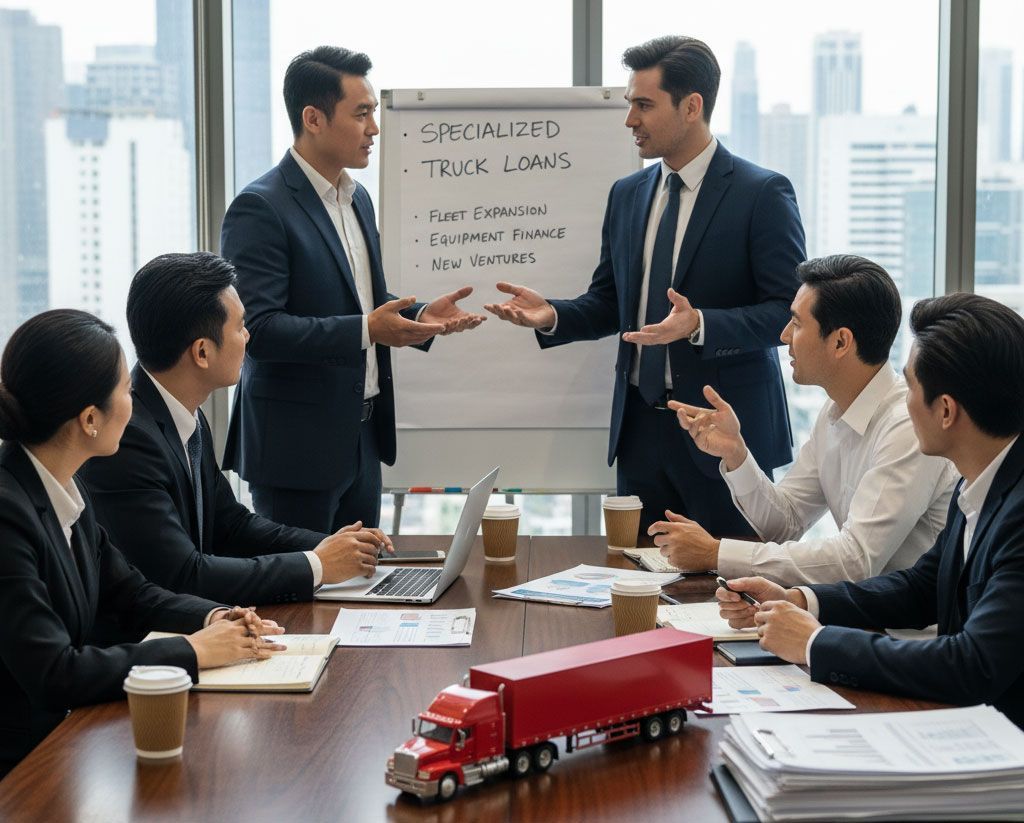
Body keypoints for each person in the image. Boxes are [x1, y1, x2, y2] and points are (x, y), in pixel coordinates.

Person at [484, 35, 804, 536]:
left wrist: (699, 324)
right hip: (639, 432)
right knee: (637, 589)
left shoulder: (761, 192)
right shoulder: (628, 194)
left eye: (643, 105)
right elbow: (613, 302)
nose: (630, 119)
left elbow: (788, 312)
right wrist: (552, 315)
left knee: (728, 596)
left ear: (692, 106)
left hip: (723, 432)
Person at [0, 309, 286, 776]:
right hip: (24, 769)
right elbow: (55, 673)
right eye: (126, 391)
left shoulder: (63, 485)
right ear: (90, 419)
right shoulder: (8, 512)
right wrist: (195, 651)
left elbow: (130, 592)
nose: (134, 402)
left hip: (66, 744)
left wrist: (214, 617)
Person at [718, 293, 1024, 726]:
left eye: (912, 387)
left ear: (947, 411)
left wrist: (816, 643)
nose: (905, 401)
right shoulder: (979, 481)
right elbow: (923, 588)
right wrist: (802, 600)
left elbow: (973, 664)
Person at [220, 46, 485, 532]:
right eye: (361, 114)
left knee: (361, 592)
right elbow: (258, 329)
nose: (374, 129)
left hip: (362, 439)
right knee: (302, 601)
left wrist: (421, 315)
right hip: (296, 451)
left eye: (374, 114)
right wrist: (367, 328)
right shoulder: (260, 207)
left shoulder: (357, 198)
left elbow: (366, 299)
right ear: (313, 118)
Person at [80, 253, 390, 631]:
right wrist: (318, 564)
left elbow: (231, 525)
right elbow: (182, 575)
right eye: (240, 327)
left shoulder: (182, 413)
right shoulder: (128, 439)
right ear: (202, 352)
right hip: (147, 653)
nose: (248, 336)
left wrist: (336, 545)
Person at [653, 255, 957, 584]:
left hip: (907, 631)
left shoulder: (905, 428)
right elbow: (786, 523)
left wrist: (715, 553)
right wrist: (736, 455)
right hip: (860, 616)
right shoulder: (833, 412)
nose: (784, 336)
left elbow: (855, 560)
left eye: (797, 324)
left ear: (841, 341)